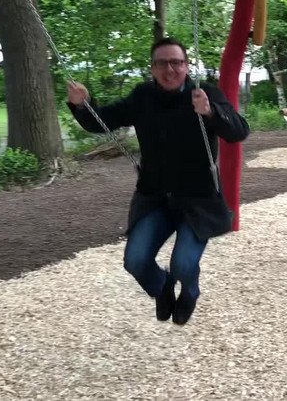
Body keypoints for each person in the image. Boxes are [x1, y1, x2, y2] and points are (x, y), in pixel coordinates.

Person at [66, 38, 249, 325]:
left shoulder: (204, 94)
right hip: (155, 198)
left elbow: (238, 132)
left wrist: (211, 112)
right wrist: (82, 105)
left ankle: (190, 291)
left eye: (176, 62)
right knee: (135, 260)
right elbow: (101, 122)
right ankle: (161, 287)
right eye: (162, 63)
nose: (170, 69)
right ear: (152, 68)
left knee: (184, 265)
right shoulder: (143, 96)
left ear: (186, 67)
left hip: (198, 199)